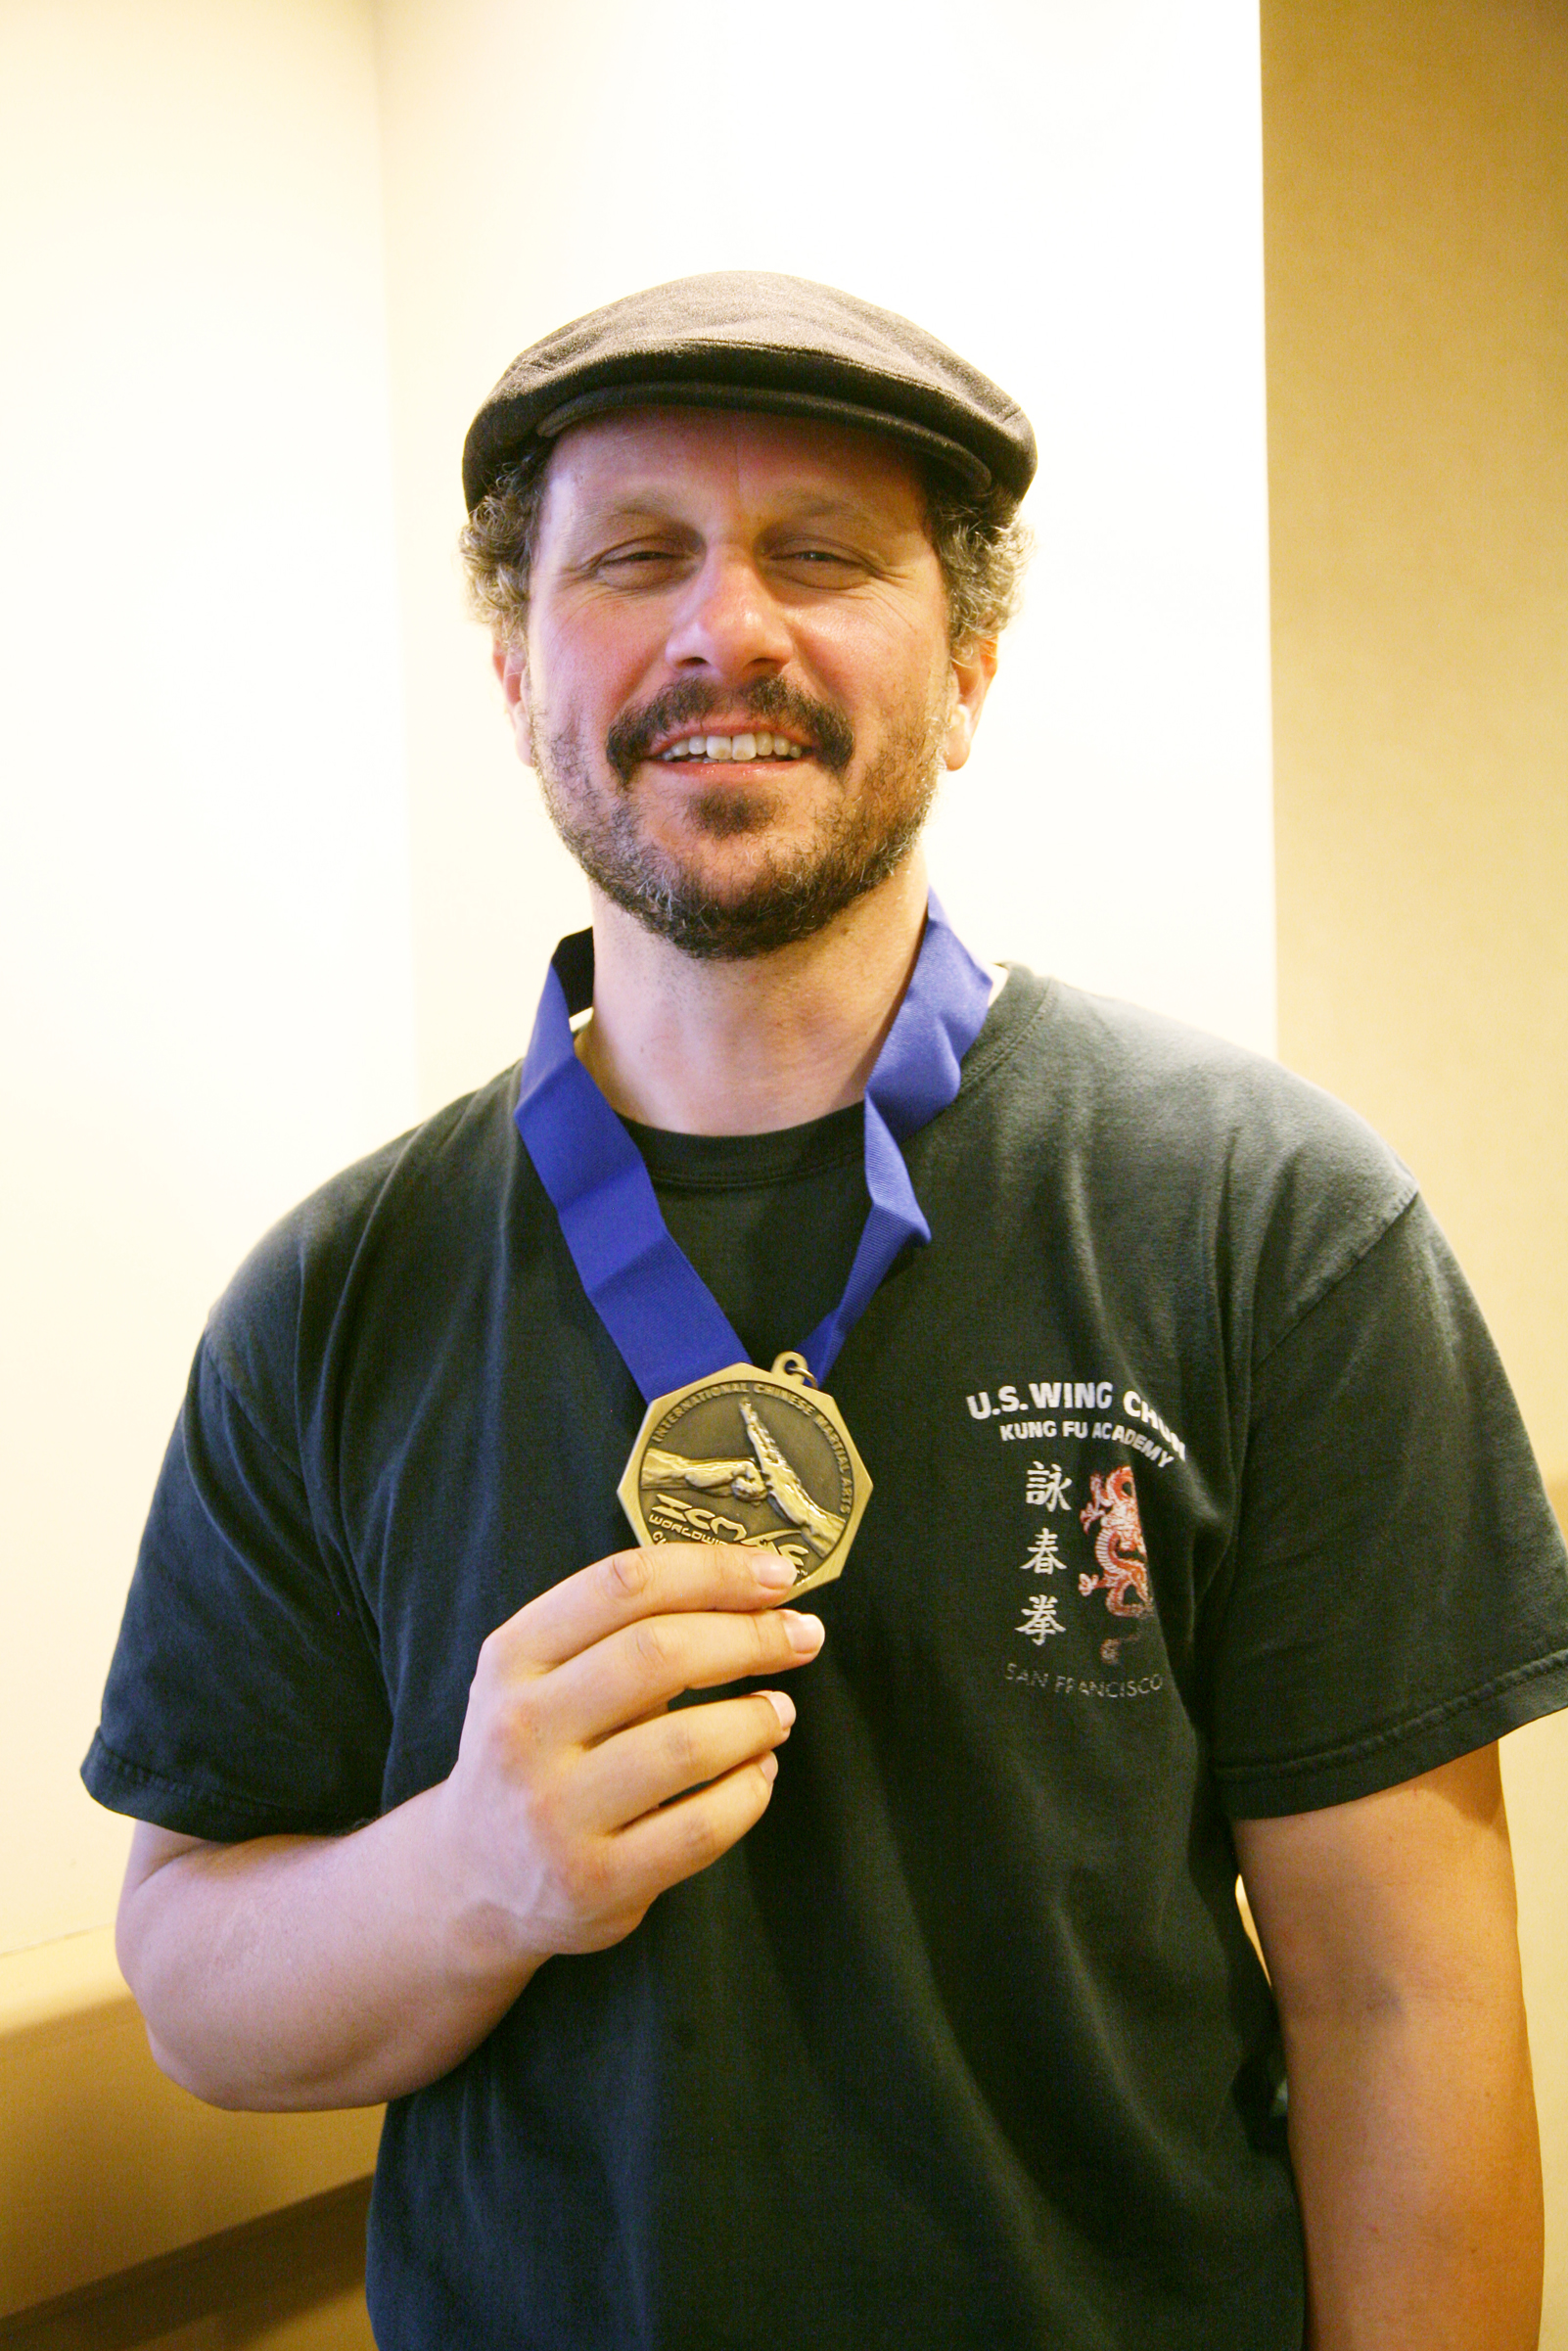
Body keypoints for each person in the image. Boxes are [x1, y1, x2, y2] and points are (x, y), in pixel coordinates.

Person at [85, 272, 1568, 2350]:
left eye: (822, 557)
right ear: (516, 662)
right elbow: (199, 1985)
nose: (726, 631)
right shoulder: (330, 1297)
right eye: (635, 559)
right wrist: (474, 1872)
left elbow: (1400, 1995)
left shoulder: (1272, 1224)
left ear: (967, 664)